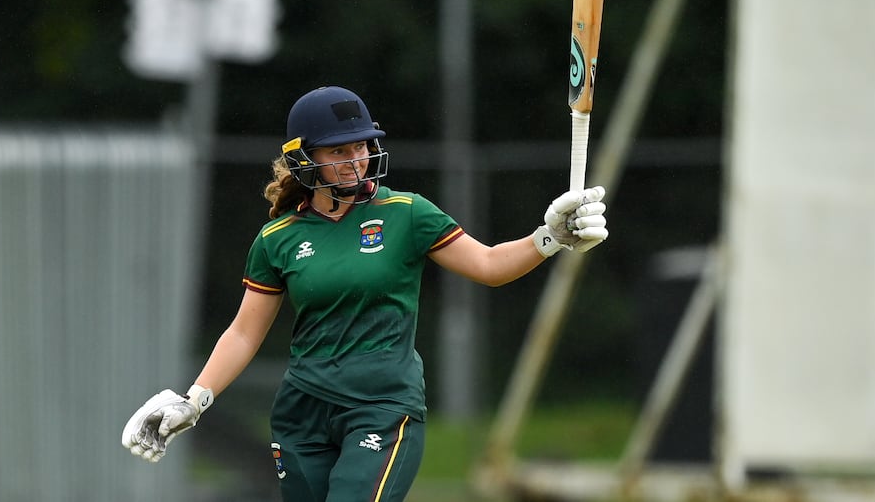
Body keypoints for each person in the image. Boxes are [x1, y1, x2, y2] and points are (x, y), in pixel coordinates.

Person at [122, 85, 608, 501]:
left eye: (361, 146)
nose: (356, 160)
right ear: (304, 159)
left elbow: (488, 265)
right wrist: (195, 399)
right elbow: (244, 334)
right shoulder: (277, 238)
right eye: (339, 151)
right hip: (303, 413)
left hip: (383, 405)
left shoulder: (407, 212)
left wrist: (549, 239)